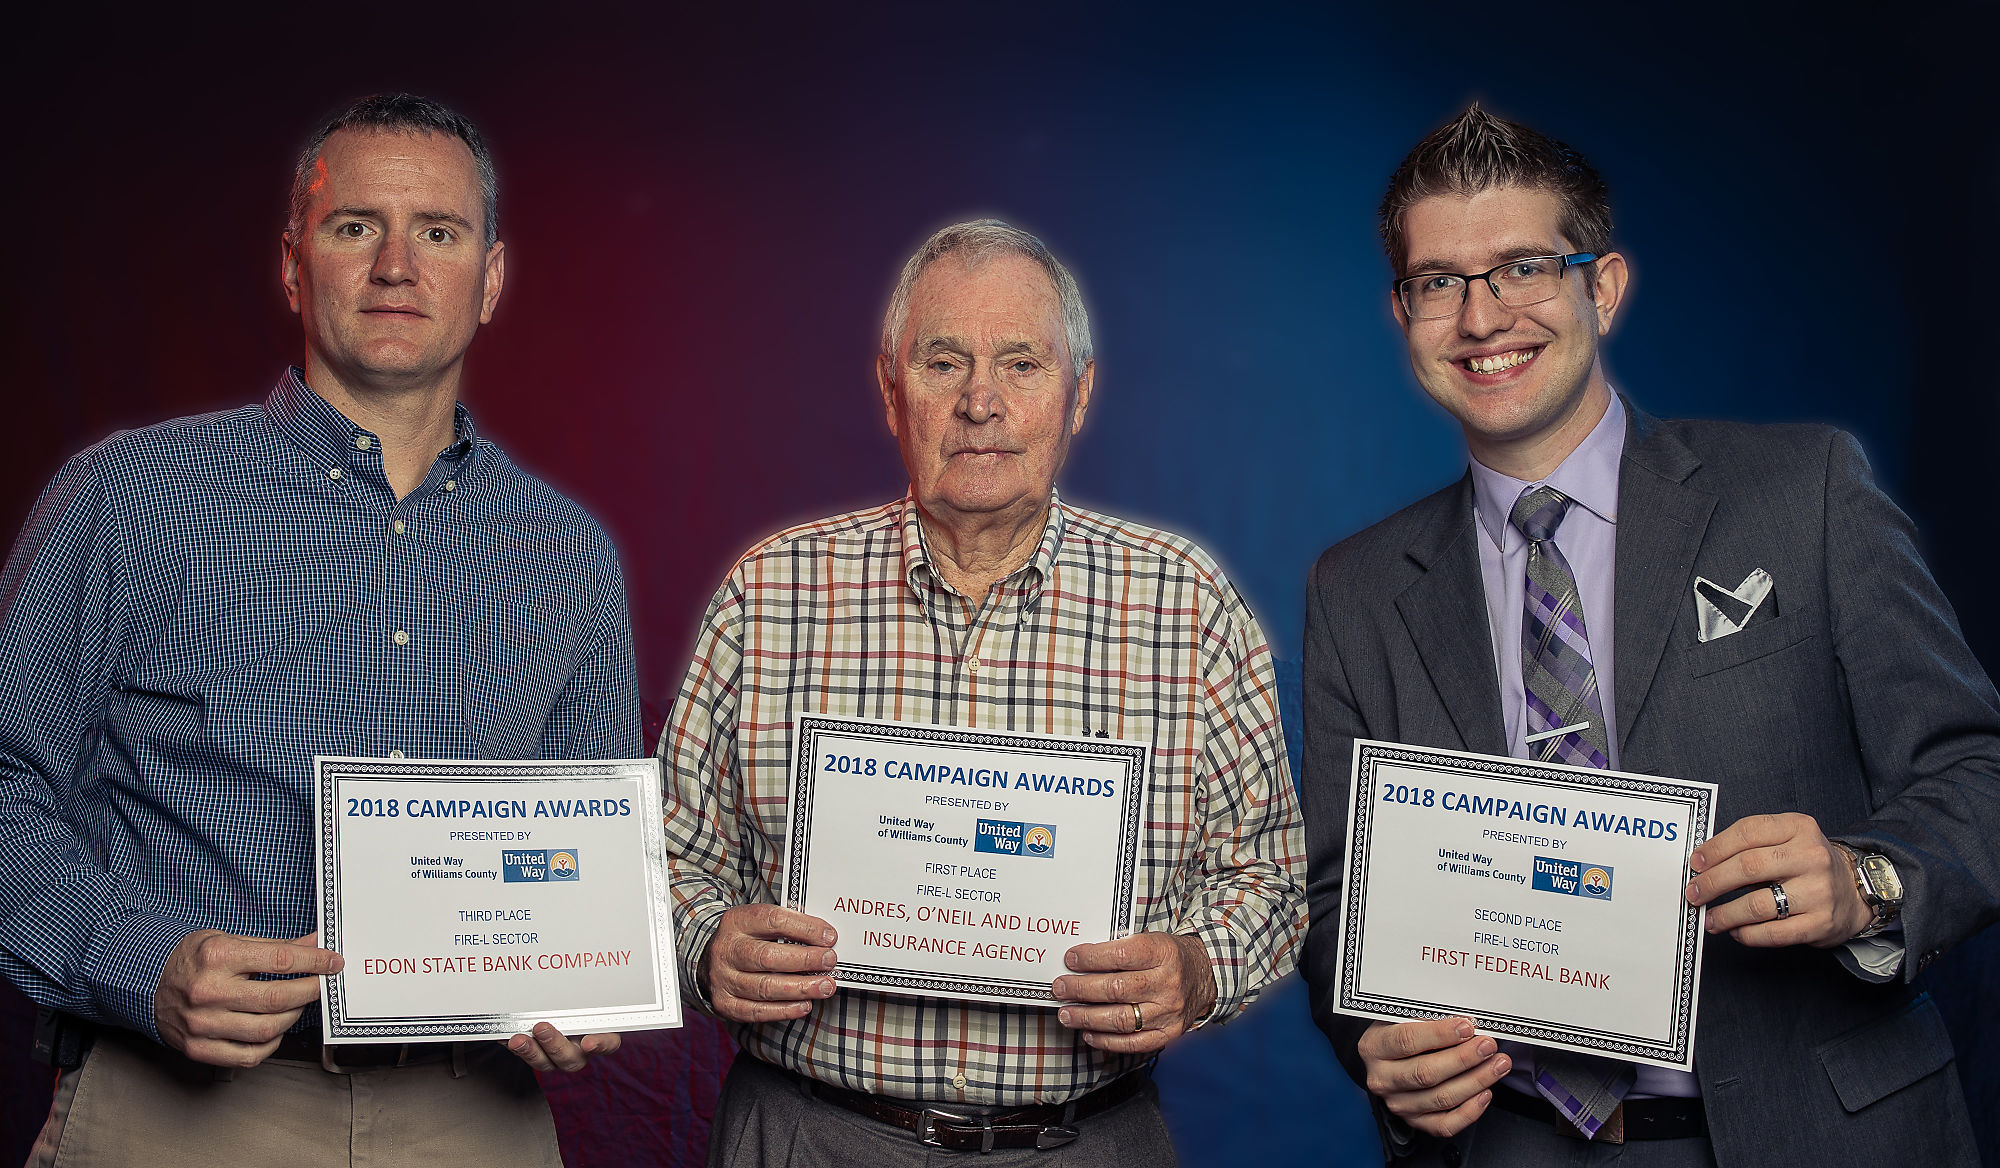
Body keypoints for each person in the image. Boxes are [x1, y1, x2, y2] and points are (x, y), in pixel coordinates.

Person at [1299, 106, 1999, 1166]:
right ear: (1403, 315)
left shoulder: (1801, 494)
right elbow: (1332, 896)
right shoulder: (1353, 588)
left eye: (1521, 266)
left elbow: (1974, 768)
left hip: (1820, 1131)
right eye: (1438, 281)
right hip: (1513, 1144)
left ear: (1603, 286)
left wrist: (1867, 882)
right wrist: (1374, 1044)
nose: (1481, 317)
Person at [0, 93, 638, 1166]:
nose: (397, 265)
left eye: (438, 232)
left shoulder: (564, 553)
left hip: (470, 1116)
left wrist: (583, 978)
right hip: (177, 1113)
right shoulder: (132, 496)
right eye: (356, 228)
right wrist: (136, 956)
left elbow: (587, 859)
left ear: (487, 280)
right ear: (295, 266)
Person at [659, 219, 1305, 1164]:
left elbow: (1274, 878)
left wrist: (1199, 971)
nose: (980, 403)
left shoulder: (1190, 604)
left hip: (1087, 1145)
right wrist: (707, 944)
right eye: (944, 363)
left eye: (1021, 365)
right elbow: (661, 858)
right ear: (892, 391)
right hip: (809, 1136)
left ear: (1078, 396)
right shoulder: (768, 592)